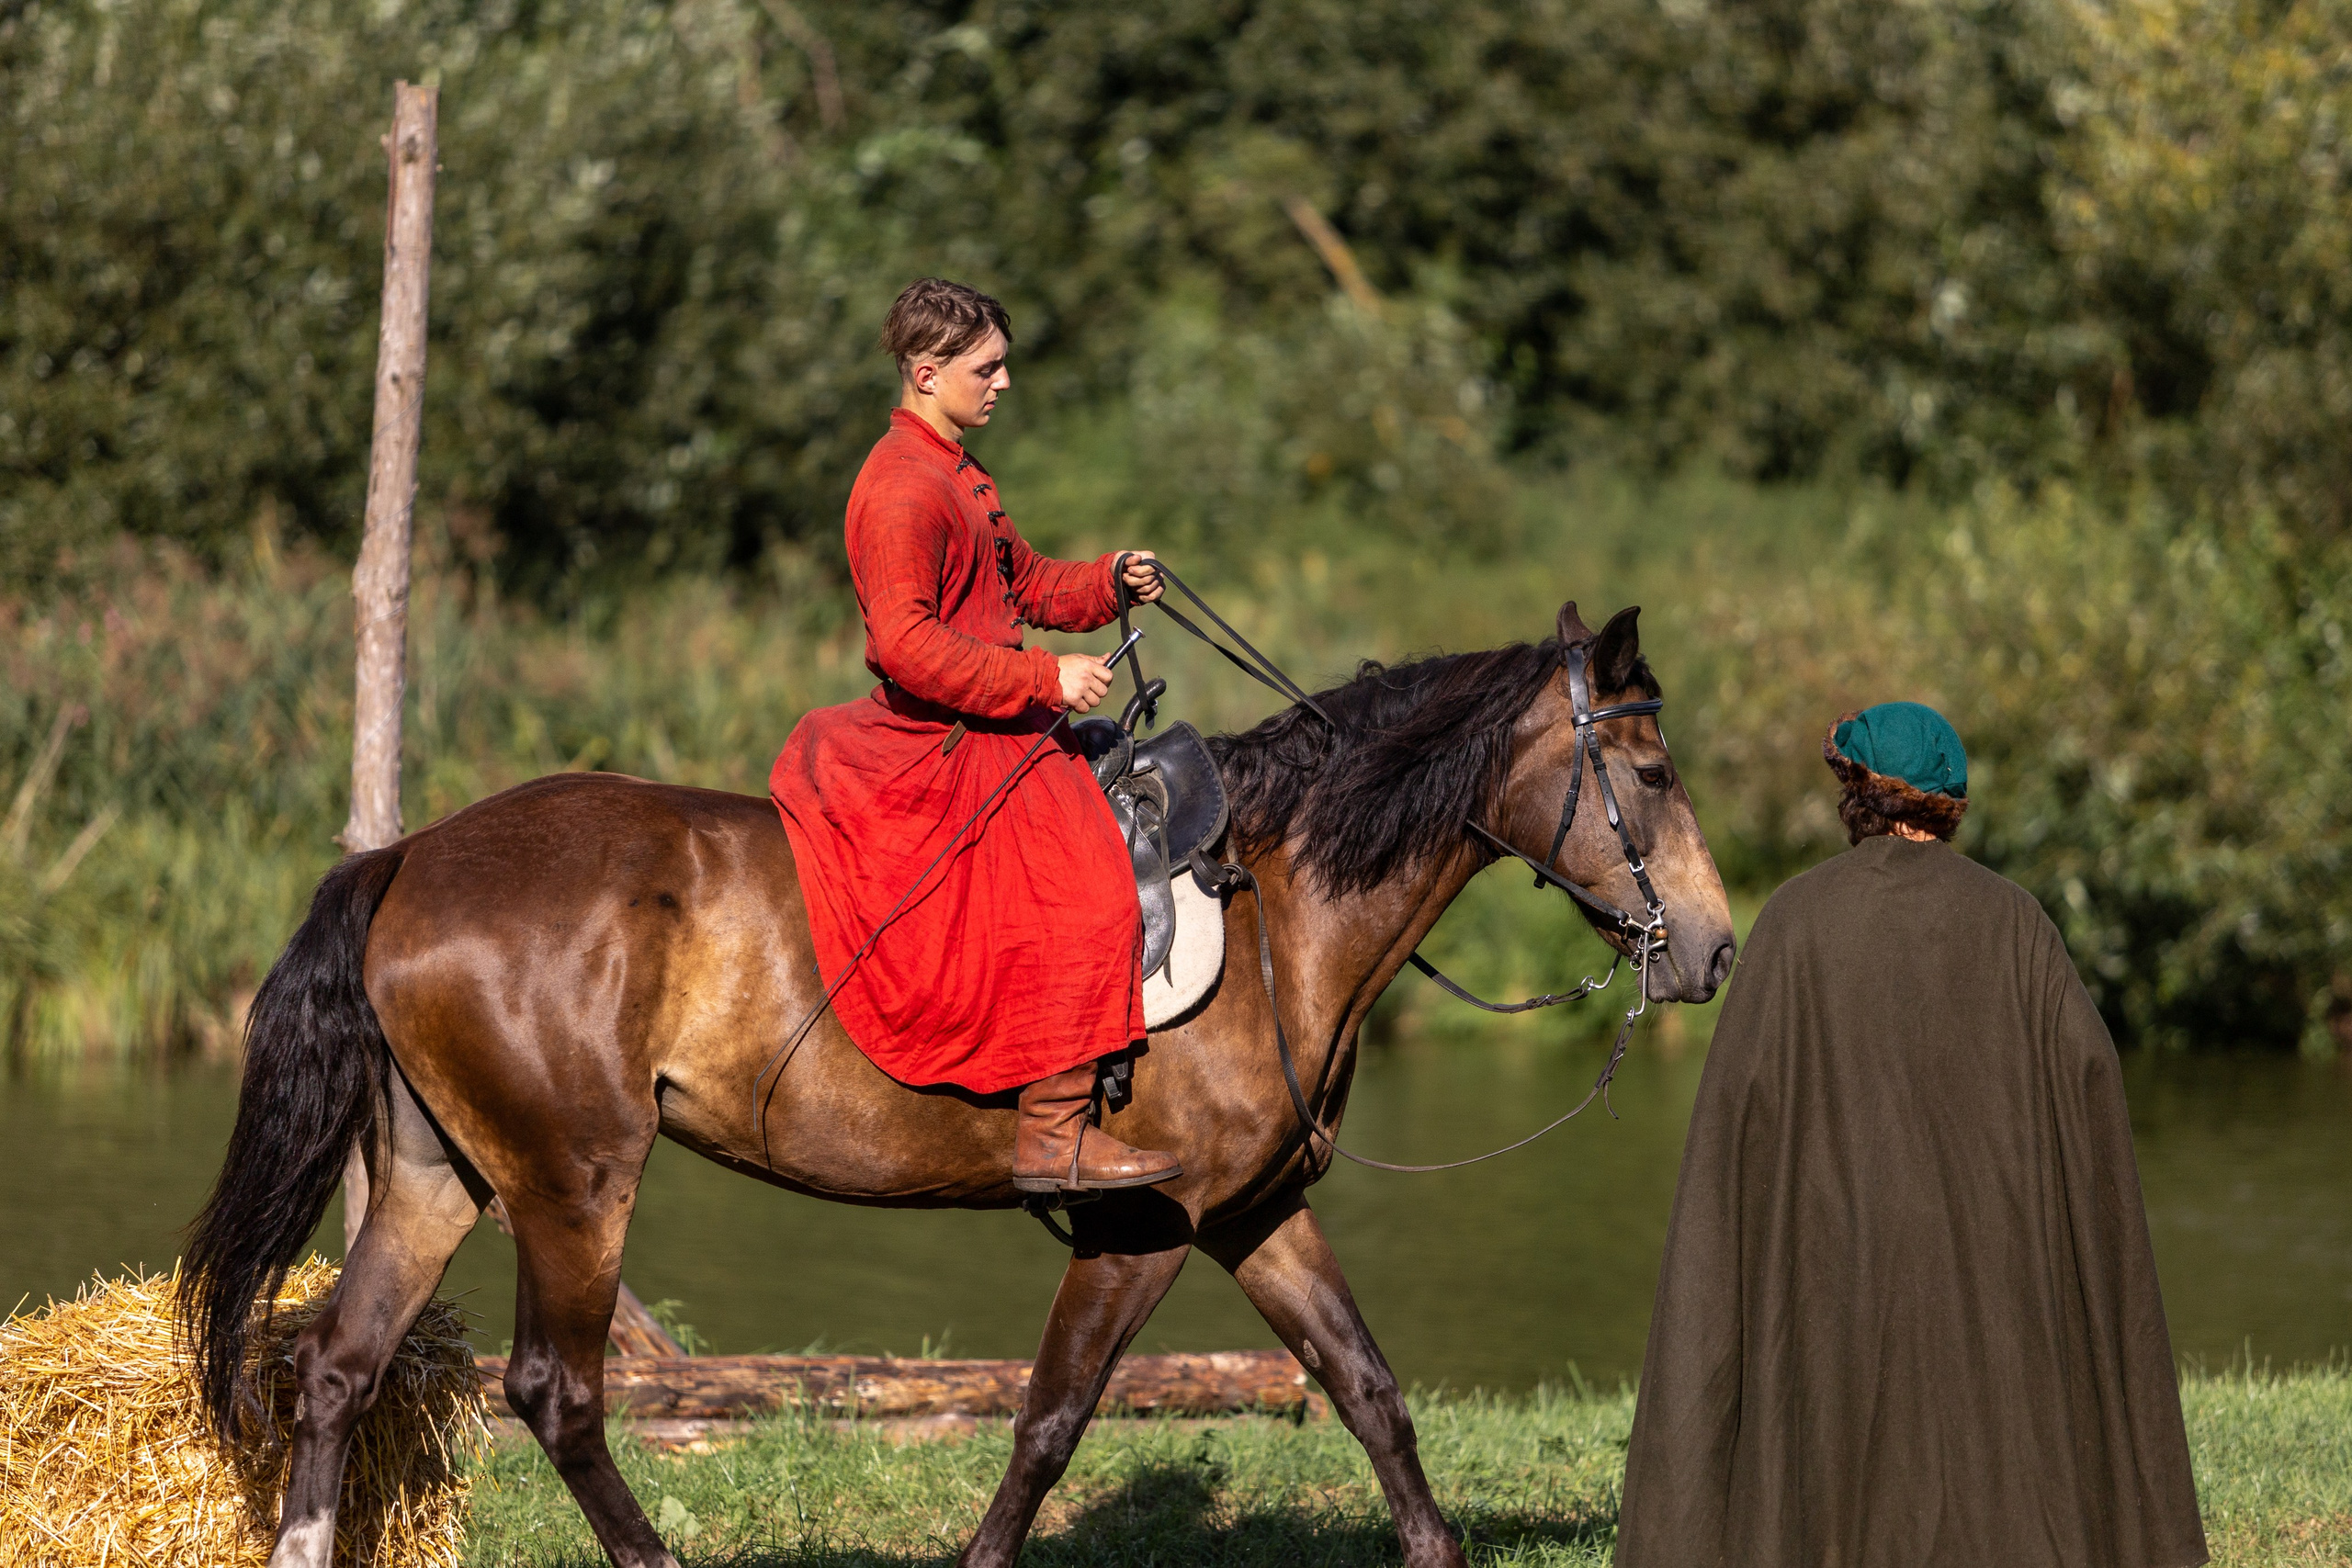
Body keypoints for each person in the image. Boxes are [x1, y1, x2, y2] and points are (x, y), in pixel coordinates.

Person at [1614, 702, 2208, 1568]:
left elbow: (1733, 1137)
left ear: (1857, 793)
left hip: (1826, 1299)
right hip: (1997, 1318)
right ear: (1948, 805)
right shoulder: (2020, 926)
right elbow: (2091, 1085)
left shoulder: (1795, 922)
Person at [769, 277, 1181, 1194]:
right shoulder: (901, 489)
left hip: (993, 718)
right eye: (985, 369)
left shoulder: (955, 469)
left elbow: (1023, 583)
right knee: (1088, 889)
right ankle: (1051, 1134)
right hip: (945, 738)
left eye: (1002, 367)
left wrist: (1110, 580)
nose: (1002, 385)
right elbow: (904, 644)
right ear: (926, 372)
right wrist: (1044, 677)